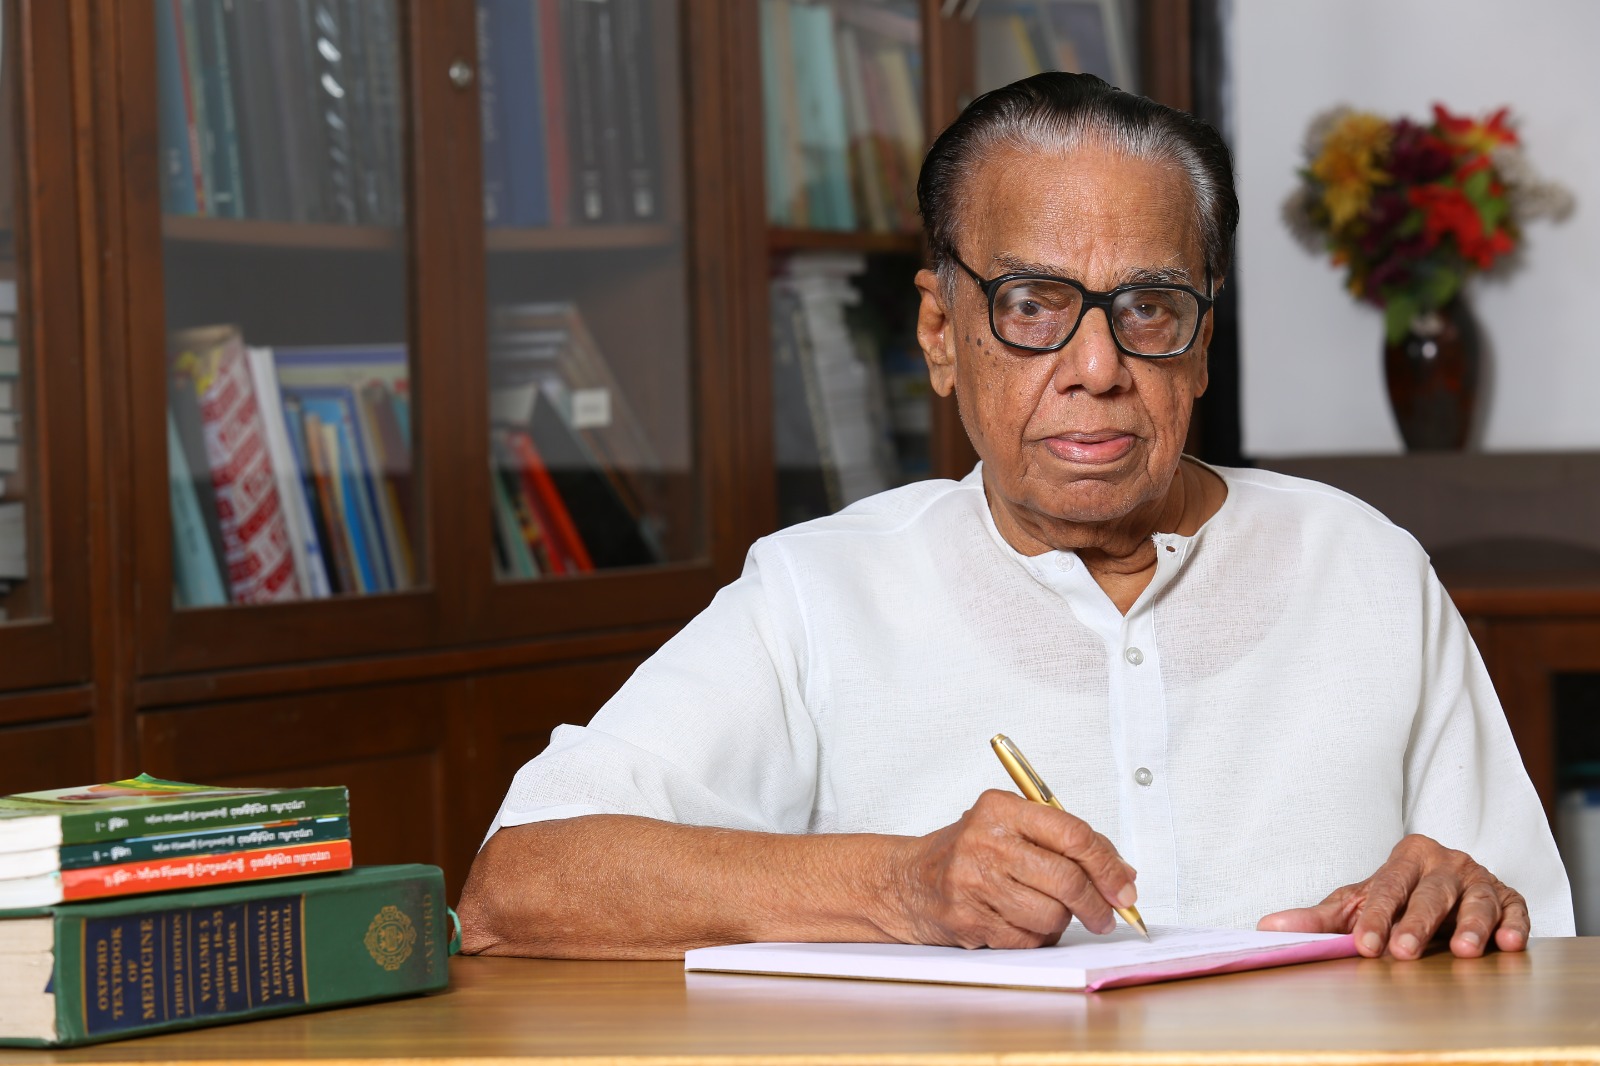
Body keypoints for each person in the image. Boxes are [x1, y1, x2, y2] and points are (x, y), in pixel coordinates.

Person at [458, 73, 1574, 960]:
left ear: (1201, 342)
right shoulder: (819, 592)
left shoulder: (1365, 567)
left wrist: (1473, 906)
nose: (1096, 366)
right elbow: (517, 887)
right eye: (1032, 305)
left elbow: (1531, 940)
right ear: (940, 334)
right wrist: (899, 886)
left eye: (1148, 307)